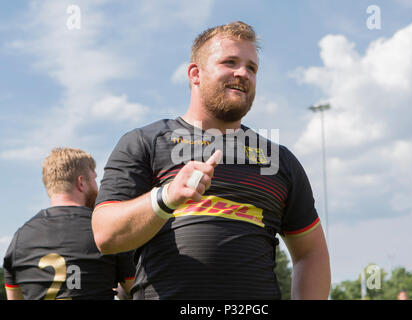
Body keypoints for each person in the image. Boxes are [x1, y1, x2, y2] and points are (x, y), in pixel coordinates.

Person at [92, 21, 330, 299]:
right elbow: (105, 235)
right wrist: (166, 197)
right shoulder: (145, 142)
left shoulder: (279, 159)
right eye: (230, 62)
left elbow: (311, 253)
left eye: (251, 68)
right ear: (195, 73)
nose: (243, 73)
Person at [3, 147, 135, 300]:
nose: (96, 186)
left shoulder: (19, 239)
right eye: (93, 179)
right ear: (81, 183)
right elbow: (140, 291)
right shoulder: (106, 229)